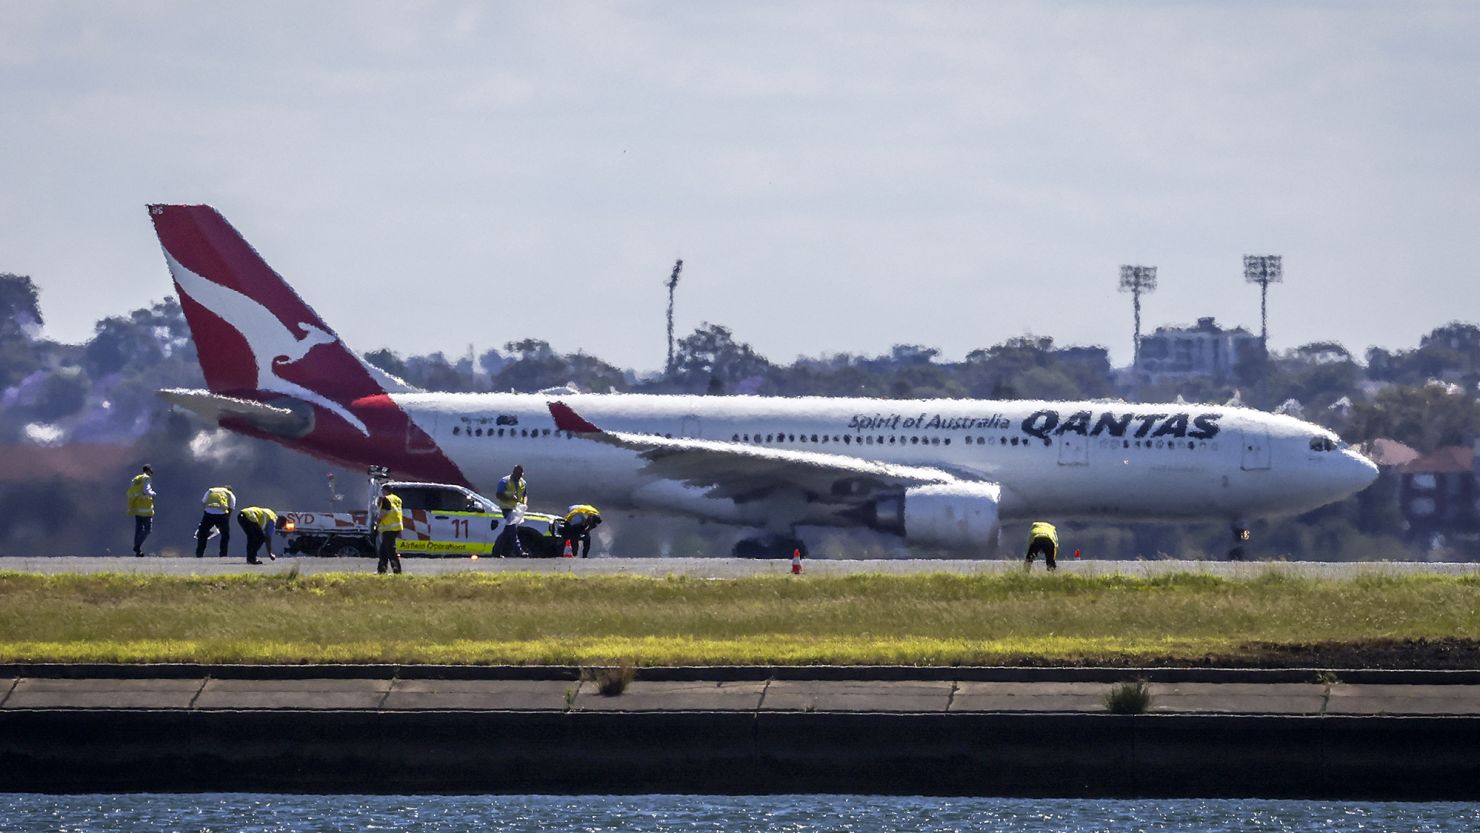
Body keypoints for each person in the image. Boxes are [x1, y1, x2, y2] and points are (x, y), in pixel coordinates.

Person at [493, 464, 528, 557]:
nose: (519, 476)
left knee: (507, 531)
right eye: (517, 473)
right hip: (507, 508)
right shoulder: (505, 481)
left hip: (517, 509)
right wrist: (509, 497)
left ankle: (496, 551)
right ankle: (519, 551)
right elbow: (498, 495)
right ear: (514, 472)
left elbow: (524, 495)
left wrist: (524, 504)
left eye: (521, 474)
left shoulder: (523, 483)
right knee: (512, 529)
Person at [195, 485, 236, 558]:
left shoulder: (211, 490)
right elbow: (231, 507)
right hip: (222, 514)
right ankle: (223, 554)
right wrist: (226, 520)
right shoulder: (230, 494)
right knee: (225, 535)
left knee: (203, 534)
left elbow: (203, 501)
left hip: (209, 512)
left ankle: (199, 554)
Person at [126, 464, 155, 556]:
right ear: (148, 471)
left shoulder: (136, 479)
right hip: (146, 508)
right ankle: (137, 546)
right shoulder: (146, 478)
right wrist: (153, 493)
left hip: (137, 507)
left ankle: (138, 550)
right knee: (147, 530)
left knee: (138, 529)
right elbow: (146, 491)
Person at [376, 484, 403, 574]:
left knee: (390, 550)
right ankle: (382, 569)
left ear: (385, 491)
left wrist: (378, 521)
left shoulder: (386, 499)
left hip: (389, 527)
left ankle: (397, 569)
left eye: (382, 491)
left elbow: (385, 511)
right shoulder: (397, 499)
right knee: (383, 549)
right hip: (396, 526)